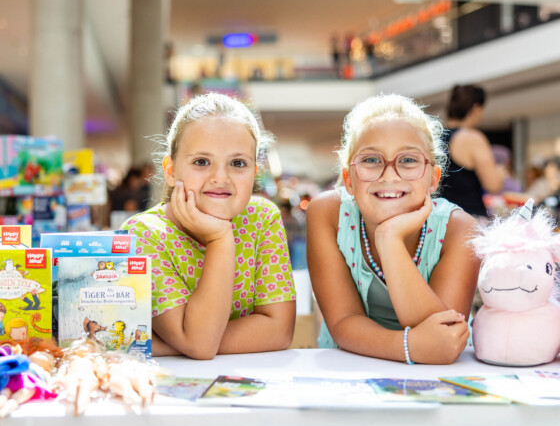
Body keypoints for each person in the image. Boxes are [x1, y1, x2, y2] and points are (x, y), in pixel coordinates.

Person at [306, 94, 479, 364]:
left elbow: (444, 336)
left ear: (433, 179)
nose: (389, 175)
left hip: (436, 378)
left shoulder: (460, 229)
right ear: (348, 180)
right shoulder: (327, 214)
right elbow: (343, 322)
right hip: (350, 368)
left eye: (408, 160)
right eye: (372, 160)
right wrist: (410, 347)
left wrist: (389, 239)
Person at [122, 93, 296, 358]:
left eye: (238, 163)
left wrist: (180, 343)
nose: (220, 177)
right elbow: (201, 346)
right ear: (170, 170)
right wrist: (220, 239)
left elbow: (279, 331)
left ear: (254, 171)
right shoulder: (143, 235)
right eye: (201, 162)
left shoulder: (263, 218)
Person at [440, 85, 505, 217]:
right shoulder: (472, 138)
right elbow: (493, 185)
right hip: (468, 217)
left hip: (439, 217)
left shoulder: (435, 136)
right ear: (476, 109)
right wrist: (499, 174)